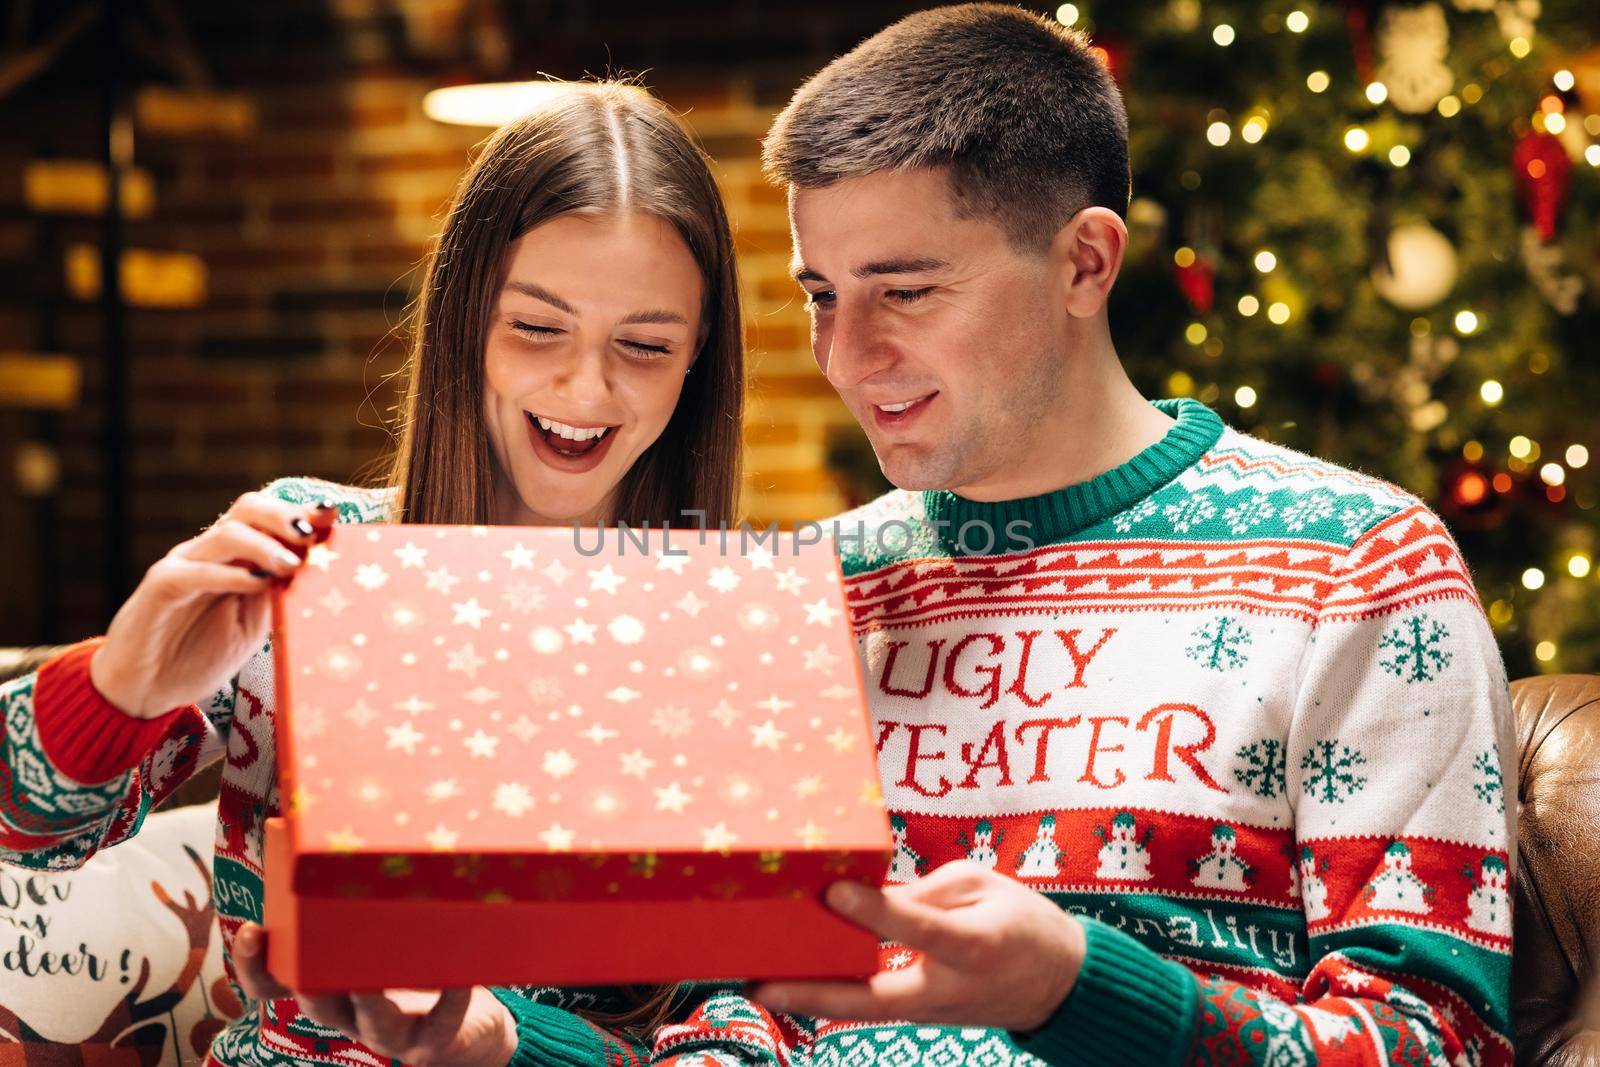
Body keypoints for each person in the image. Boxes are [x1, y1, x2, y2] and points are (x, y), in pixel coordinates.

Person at [676, 6, 1514, 1065]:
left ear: (1084, 262)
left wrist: (1080, 989)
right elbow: (739, 1010)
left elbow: (1434, 1044)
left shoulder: (1355, 569)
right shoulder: (814, 589)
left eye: (906, 290)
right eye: (821, 294)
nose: (844, 356)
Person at [0, 81, 748, 1067]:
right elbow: (29, 839)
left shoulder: (735, 623)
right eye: (535, 327)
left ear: (700, 357)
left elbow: (754, 1026)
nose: (585, 388)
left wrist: (499, 1039)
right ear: (463, 321)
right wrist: (118, 687)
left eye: (644, 346)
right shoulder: (312, 556)